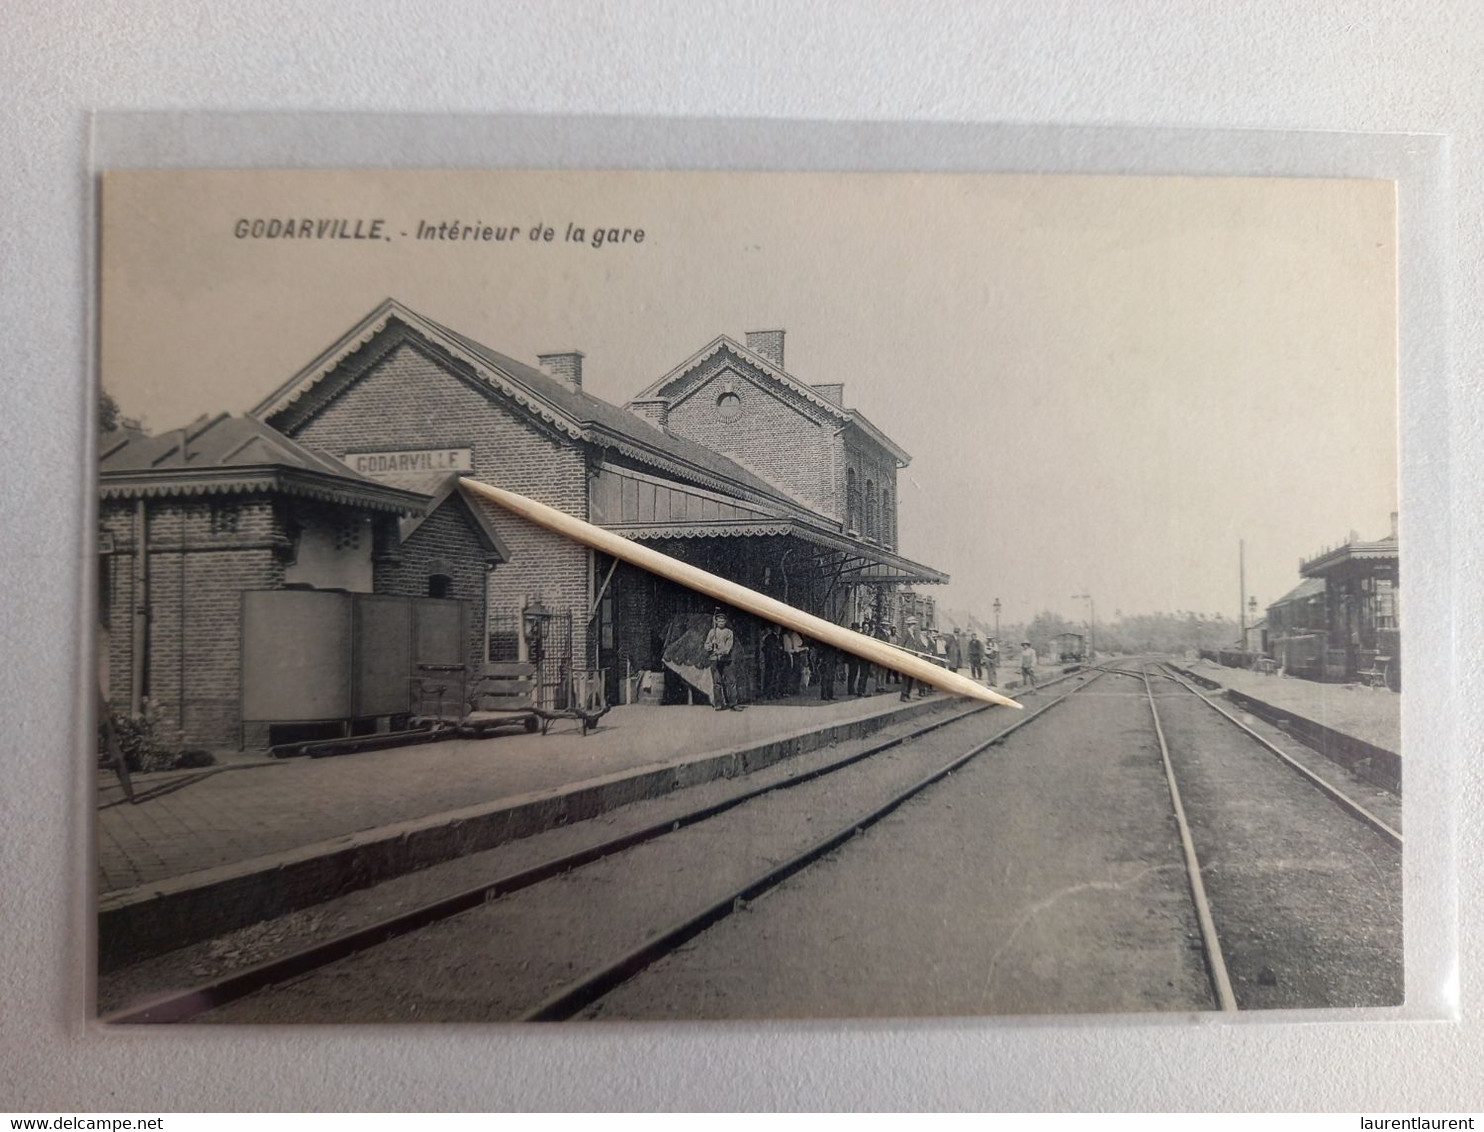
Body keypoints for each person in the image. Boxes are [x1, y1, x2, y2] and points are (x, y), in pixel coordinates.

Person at [705, 610, 743, 710]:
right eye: (719, 621)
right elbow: (706, 644)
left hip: (727, 660)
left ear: (725, 622)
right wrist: (709, 646)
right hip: (714, 660)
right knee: (717, 683)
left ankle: (733, 704)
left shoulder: (729, 632)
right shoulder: (712, 632)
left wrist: (720, 651)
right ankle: (718, 704)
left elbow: (728, 648)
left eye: (723, 621)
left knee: (731, 682)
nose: (721, 623)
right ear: (716, 622)